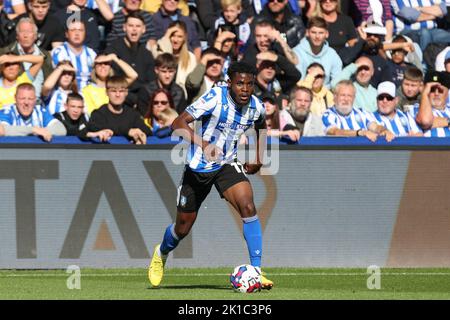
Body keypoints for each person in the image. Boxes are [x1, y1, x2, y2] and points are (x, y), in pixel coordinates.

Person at [148, 61, 274, 290]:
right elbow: (178, 123)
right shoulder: (215, 97)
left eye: (249, 84)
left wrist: (259, 156)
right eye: (239, 84)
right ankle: (162, 252)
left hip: (226, 164)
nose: (245, 89)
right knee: (182, 228)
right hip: (198, 168)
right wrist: (204, 144)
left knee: (248, 205)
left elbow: (262, 126)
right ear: (229, 83)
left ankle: (256, 271)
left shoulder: (256, 106)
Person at [104, 12, 155, 108]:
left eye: (138, 26)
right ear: (124, 28)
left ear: (144, 29)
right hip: (119, 99)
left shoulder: (147, 54)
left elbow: (151, 83)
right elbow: (112, 82)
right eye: (131, 25)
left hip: (142, 101)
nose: (134, 29)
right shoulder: (113, 50)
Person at [86, 75, 151, 143]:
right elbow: (94, 129)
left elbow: (148, 131)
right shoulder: (98, 114)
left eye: (121, 91)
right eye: (113, 91)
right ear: (106, 92)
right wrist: (128, 131)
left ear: (126, 93)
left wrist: (139, 133)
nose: (117, 95)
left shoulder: (132, 114)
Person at [322, 80, 391, 142]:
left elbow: (375, 127)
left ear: (354, 98)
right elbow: (335, 132)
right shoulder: (328, 114)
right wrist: (359, 133)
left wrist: (384, 130)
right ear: (335, 96)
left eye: (349, 96)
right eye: (342, 95)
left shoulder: (362, 113)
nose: (346, 99)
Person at [0, 17, 52, 99]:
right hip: (13, 101)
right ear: (17, 36)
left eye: (29, 32)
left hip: (40, 102)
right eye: (22, 32)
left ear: (35, 36)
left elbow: (49, 80)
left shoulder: (45, 55)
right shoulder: (5, 52)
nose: (25, 35)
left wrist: (14, 59)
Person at [0, 83, 66, 141]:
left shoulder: (40, 111)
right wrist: (33, 130)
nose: (26, 102)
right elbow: (2, 130)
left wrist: (41, 131)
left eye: (30, 99)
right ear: (15, 98)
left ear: (35, 100)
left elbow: (61, 129)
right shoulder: (7, 111)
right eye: (22, 98)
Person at [148, 20, 197, 96]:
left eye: (179, 36)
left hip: (181, 97)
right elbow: (160, 59)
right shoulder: (157, 49)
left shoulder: (191, 58)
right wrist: (167, 34)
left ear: (185, 37)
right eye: (172, 35)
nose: (176, 40)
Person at [293, 16, 342, 88]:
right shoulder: (297, 52)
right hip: (302, 93)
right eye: (313, 32)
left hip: (325, 94)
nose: (317, 36)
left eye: (321, 33)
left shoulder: (332, 55)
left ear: (327, 34)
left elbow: (337, 82)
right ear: (307, 33)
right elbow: (297, 81)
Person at [51, 20, 97, 90]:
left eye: (80, 30)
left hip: (89, 95)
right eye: (73, 30)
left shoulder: (91, 53)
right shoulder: (59, 52)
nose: (77, 33)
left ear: (85, 34)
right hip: (67, 93)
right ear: (66, 34)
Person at [314, 0, 361, 66]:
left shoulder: (346, 20)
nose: (328, 1)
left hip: (343, 61)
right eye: (324, 0)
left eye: (332, 0)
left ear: (337, 2)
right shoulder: (315, 20)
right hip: (320, 61)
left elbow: (353, 42)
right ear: (320, 2)